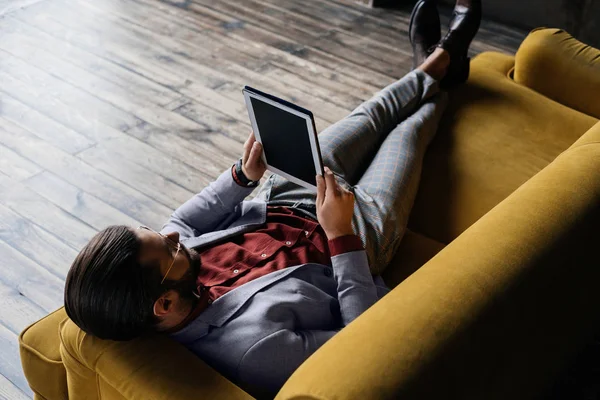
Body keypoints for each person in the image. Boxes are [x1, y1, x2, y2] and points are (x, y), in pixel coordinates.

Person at [64, 0, 481, 397]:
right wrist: (339, 235)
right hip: (360, 232)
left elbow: (185, 223)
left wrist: (242, 177)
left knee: (370, 115)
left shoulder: (168, 272)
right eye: (171, 249)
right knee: (409, 132)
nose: (176, 238)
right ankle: (445, 65)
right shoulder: (253, 352)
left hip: (291, 191)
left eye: (161, 235)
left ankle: (439, 60)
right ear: (165, 303)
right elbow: (359, 340)